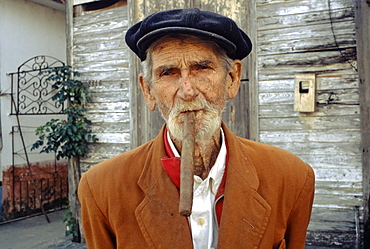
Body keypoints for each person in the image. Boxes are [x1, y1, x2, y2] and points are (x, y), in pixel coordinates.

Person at [78, 8, 315, 249]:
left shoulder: (291, 178)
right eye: (168, 72)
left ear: (232, 79)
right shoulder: (101, 189)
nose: (187, 91)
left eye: (202, 68)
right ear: (148, 90)